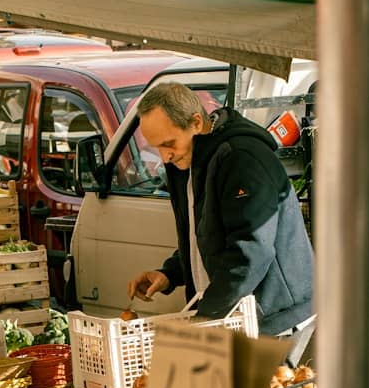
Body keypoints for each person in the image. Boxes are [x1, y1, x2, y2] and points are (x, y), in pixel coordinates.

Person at [127, 82, 314, 340]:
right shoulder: (187, 161)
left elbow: (250, 251)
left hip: (277, 320)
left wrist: (205, 318)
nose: (165, 156)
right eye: (156, 147)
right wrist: (169, 274)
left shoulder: (241, 157)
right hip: (231, 318)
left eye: (169, 143)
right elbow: (204, 236)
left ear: (195, 122)